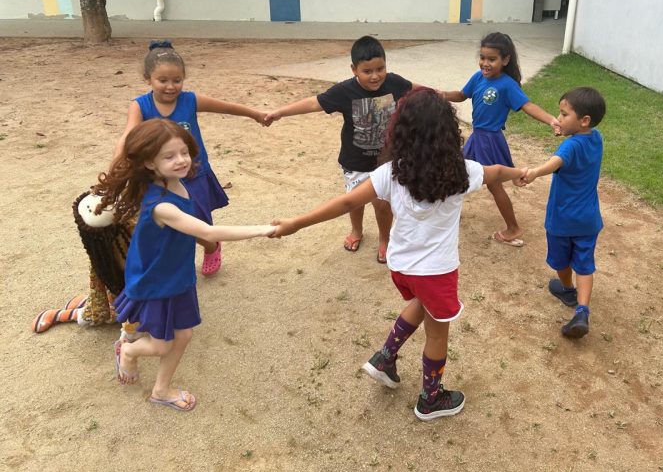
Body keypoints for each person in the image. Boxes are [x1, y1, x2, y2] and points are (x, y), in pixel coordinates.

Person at [268, 89, 532, 420]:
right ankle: (431, 400)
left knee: (420, 302)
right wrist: (517, 171)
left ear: (400, 131)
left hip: (402, 267)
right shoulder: (462, 172)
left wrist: (297, 222)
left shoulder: (391, 172)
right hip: (436, 272)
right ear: (449, 133)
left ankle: (385, 358)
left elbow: (348, 201)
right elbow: (494, 171)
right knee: (437, 333)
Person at [94, 119, 275, 411]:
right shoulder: (162, 205)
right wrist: (263, 229)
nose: (180, 160)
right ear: (150, 163)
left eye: (183, 152)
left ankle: (161, 390)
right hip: (157, 282)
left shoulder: (179, 184)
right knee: (164, 343)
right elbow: (208, 233)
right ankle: (128, 350)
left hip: (176, 275)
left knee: (184, 335)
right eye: (169, 156)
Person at [113, 40, 269, 277]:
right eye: (162, 80)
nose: (170, 86)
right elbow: (127, 137)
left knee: (200, 228)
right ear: (148, 79)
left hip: (193, 174)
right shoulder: (140, 105)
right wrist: (113, 171)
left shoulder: (190, 100)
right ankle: (169, 262)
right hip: (160, 178)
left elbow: (226, 108)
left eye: (177, 80)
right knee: (167, 223)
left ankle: (211, 246)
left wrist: (256, 114)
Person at [264, 35, 420, 264]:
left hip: (387, 160)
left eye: (380, 68)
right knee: (355, 202)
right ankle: (357, 231)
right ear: (354, 69)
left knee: (383, 204)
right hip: (355, 161)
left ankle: (385, 239)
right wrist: (280, 112)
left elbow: (418, 90)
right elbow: (313, 103)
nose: (375, 75)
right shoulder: (345, 91)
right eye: (367, 71)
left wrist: (447, 95)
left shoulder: (394, 83)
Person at [442, 32, 560, 248]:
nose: (485, 63)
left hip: (490, 140)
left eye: (491, 59)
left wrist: (551, 120)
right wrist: (442, 94)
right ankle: (449, 214)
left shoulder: (507, 85)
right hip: (477, 136)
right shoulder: (478, 77)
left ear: (505, 60)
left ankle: (513, 227)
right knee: (455, 173)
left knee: (494, 186)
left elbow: (527, 105)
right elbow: (461, 94)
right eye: (482, 57)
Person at [524, 87, 606, 339]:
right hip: (588, 218)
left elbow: (556, 162)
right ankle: (582, 310)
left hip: (562, 218)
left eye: (563, 114)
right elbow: (574, 148)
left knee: (561, 260)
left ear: (583, 120)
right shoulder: (597, 137)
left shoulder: (569, 147)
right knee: (584, 264)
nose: (558, 119)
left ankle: (567, 289)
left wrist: (535, 172)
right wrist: (566, 130)